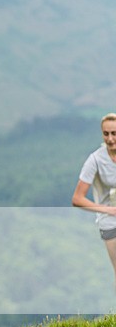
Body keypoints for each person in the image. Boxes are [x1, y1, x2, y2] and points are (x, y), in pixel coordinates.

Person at [72, 113, 116, 282]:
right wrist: (108, 210)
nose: (110, 138)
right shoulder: (95, 160)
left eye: (114, 133)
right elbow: (77, 199)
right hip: (110, 223)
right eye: (106, 134)